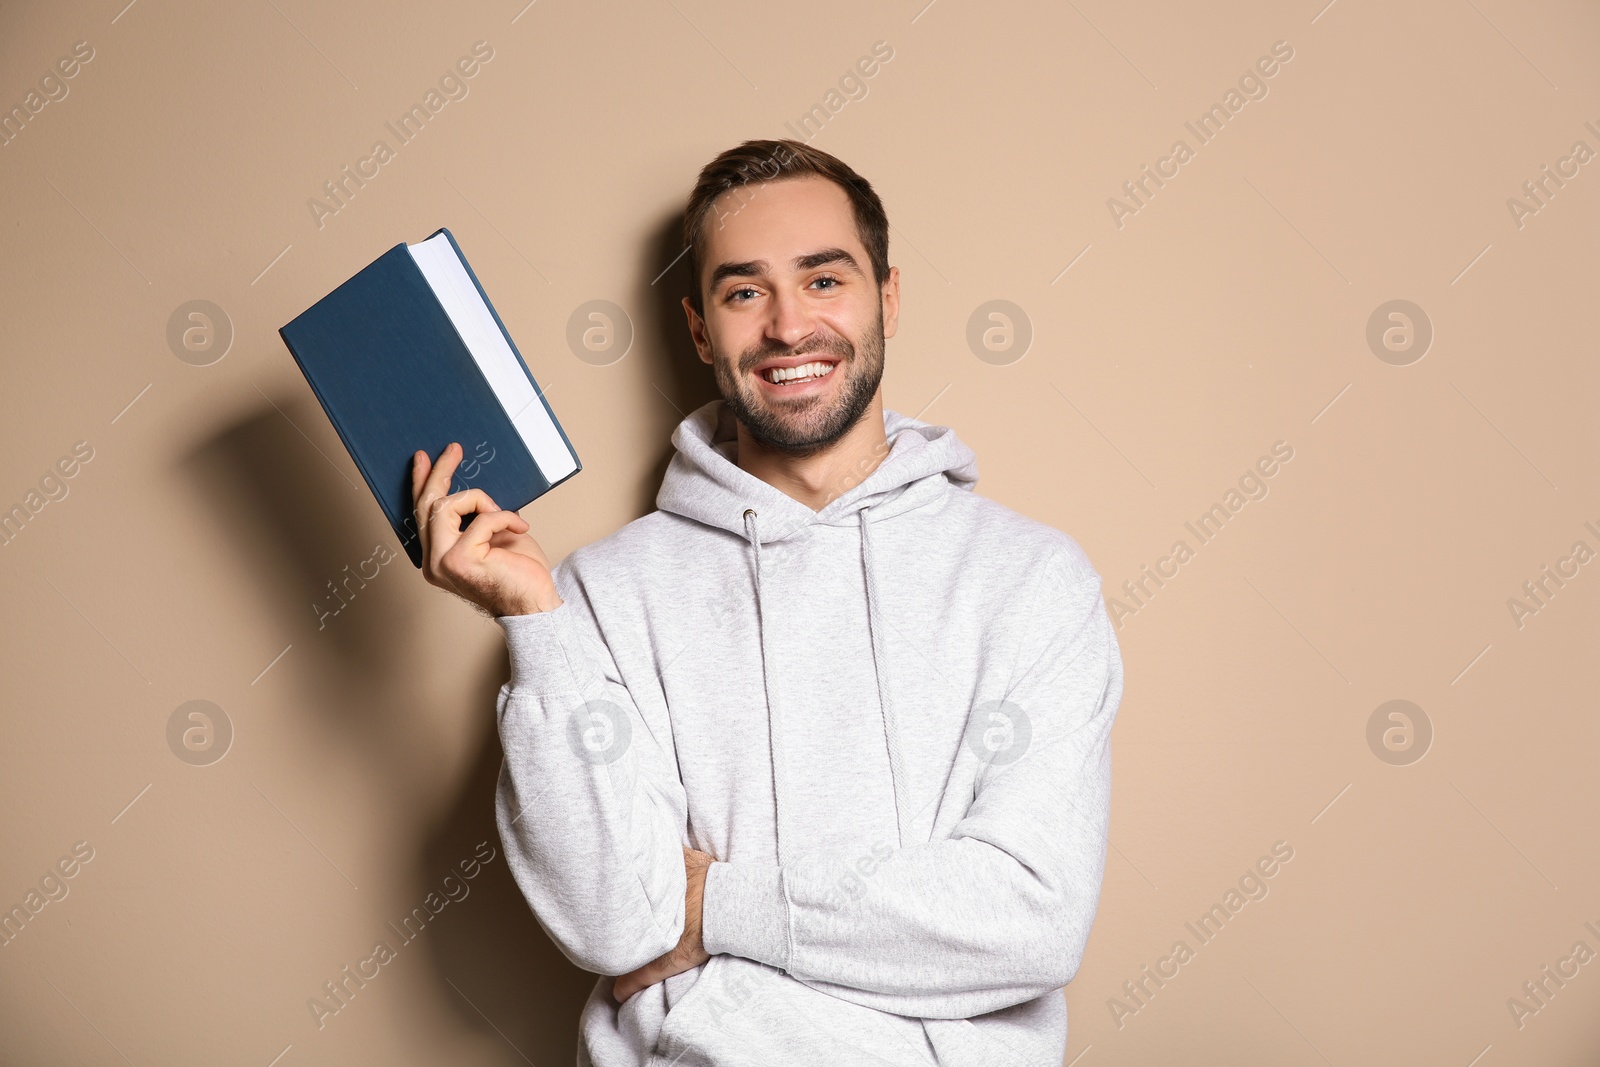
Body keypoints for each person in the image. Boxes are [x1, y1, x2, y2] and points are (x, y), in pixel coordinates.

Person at [409, 139, 1124, 1066]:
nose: (789, 327)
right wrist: (535, 624)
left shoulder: (1032, 581)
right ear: (702, 330)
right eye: (745, 292)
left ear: (889, 298)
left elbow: (1032, 917)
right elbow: (612, 921)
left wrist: (715, 905)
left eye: (825, 280)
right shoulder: (601, 594)